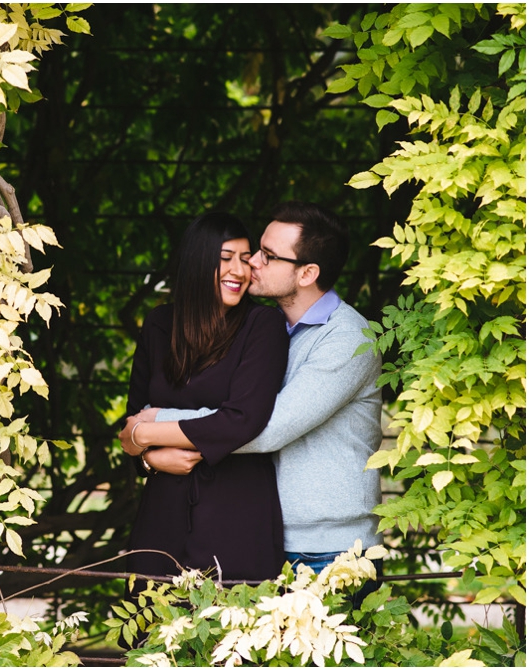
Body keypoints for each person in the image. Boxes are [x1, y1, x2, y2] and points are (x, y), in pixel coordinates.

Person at [135, 201, 384, 574]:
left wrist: (150, 425)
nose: (252, 263)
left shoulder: (347, 339)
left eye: (267, 256)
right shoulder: (272, 330)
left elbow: (264, 428)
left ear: (307, 273)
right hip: (275, 537)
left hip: (330, 550)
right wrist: (149, 456)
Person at [117, 212, 289, 583]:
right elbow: (129, 421)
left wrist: (145, 436)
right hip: (162, 516)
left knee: (231, 633)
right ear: (198, 261)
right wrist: (150, 460)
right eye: (226, 258)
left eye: (246, 259)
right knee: (153, 632)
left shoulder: (263, 326)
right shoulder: (160, 324)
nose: (240, 271)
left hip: (237, 513)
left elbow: (243, 419)